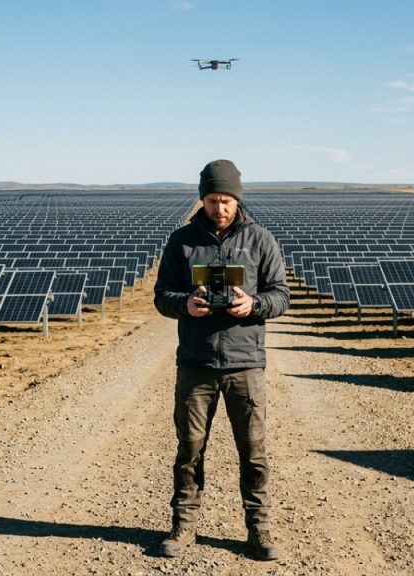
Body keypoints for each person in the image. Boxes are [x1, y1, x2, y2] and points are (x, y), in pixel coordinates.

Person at [153, 159, 290, 561]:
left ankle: (259, 528)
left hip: (245, 362)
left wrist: (254, 304)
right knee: (190, 447)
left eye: (226, 200)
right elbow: (162, 295)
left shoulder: (261, 240)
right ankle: (184, 525)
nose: (220, 207)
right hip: (196, 363)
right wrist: (186, 304)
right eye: (212, 199)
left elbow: (281, 294)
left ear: (237, 199)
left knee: (254, 450)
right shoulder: (181, 242)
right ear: (202, 199)